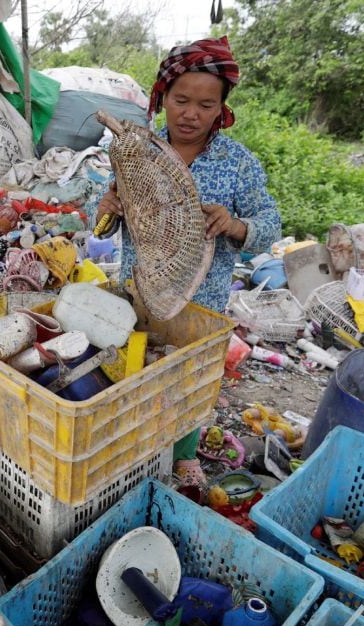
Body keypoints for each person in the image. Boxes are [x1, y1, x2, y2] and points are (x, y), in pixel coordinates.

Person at [95, 36, 282, 485]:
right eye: (180, 100)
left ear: (221, 109)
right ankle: (133, 445)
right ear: (162, 98)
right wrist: (106, 208)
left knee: (189, 382)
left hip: (204, 300)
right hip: (141, 291)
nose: (190, 114)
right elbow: (100, 220)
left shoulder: (237, 164)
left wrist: (236, 225)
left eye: (205, 104)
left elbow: (270, 224)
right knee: (136, 368)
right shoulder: (136, 152)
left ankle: (183, 453)